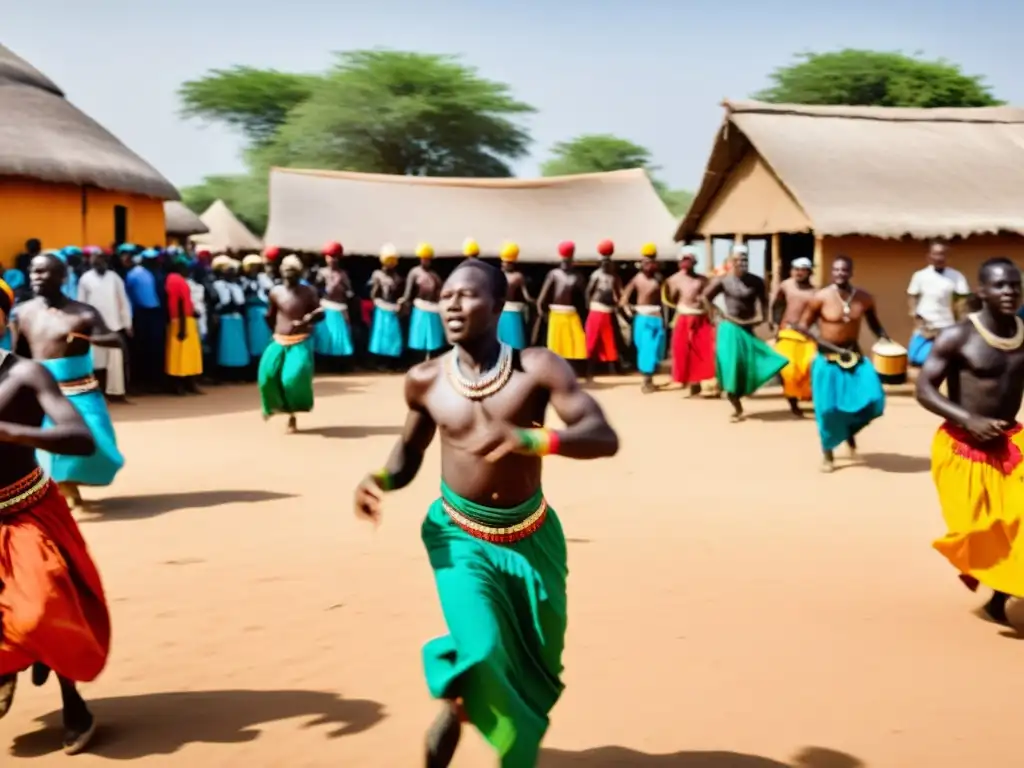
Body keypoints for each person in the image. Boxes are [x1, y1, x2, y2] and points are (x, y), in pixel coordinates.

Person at [353, 259, 619, 767]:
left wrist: (529, 438)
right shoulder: (425, 379)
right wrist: (380, 480)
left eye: (468, 295)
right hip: (458, 536)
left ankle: (461, 701)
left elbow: (602, 436)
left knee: (536, 665)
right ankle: (470, 691)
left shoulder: (538, 368)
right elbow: (408, 455)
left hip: (532, 538)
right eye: (447, 295)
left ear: (498, 306)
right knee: (483, 643)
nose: (452, 303)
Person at [0, 279, 110, 756]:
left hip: (27, 510)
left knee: (49, 606)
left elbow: (80, 438)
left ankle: (74, 702)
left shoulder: (27, 375)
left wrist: (11, 432)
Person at [916, 257, 1024, 623]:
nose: (1009, 291)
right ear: (982, 291)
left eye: (1015, 285)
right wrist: (969, 419)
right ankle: (995, 589)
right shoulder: (958, 336)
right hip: (963, 448)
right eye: (1000, 285)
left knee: (1019, 520)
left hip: (1010, 443)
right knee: (980, 530)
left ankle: (1003, 595)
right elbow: (924, 388)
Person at [10, 254, 126, 509]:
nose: (36, 277)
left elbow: (114, 339)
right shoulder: (22, 312)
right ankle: (63, 492)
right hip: (44, 391)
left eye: (43, 272)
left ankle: (69, 485)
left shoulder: (83, 313)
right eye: (33, 271)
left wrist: (94, 339)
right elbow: (20, 353)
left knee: (97, 442)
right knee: (50, 447)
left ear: (63, 277)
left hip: (81, 391)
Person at [794, 256, 889, 472]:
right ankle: (828, 455)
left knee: (873, 399)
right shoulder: (820, 297)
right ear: (832, 271)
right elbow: (803, 325)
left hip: (854, 358)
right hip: (827, 360)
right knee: (827, 410)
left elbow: (875, 324)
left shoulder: (864, 298)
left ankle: (849, 433)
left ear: (851, 272)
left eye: (844, 270)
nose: (840, 273)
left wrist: (886, 340)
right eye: (836, 269)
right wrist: (821, 340)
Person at [702, 248, 788, 421]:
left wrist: (765, 319)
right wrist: (716, 313)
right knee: (731, 367)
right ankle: (736, 407)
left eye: (744, 260)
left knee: (755, 363)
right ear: (731, 262)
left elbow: (764, 302)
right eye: (738, 260)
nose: (741, 263)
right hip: (730, 327)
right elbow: (705, 297)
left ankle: (743, 393)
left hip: (748, 327)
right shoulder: (723, 281)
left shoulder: (756, 281)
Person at [258, 255, 324, 433]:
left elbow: (321, 312)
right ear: (281, 272)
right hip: (279, 339)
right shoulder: (275, 292)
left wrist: (306, 320)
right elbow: (270, 316)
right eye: (287, 272)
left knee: (292, 379)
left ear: (300, 273)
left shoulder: (308, 291)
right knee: (267, 376)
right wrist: (275, 332)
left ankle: (292, 414)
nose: (290, 275)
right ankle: (272, 407)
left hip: (300, 341)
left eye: (294, 272)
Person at [77, 247, 132, 401]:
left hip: (114, 326)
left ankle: (116, 394)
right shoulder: (85, 279)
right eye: (96, 260)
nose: (99, 262)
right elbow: (81, 303)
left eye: (102, 259)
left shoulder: (114, 278)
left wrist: (127, 323)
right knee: (95, 363)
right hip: (94, 328)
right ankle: (96, 394)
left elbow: (123, 301)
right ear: (91, 262)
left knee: (115, 364)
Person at [907, 241, 970, 367]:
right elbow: (912, 301)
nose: (938, 258)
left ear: (947, 256)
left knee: (945, 362)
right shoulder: (920, 276)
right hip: (924, 329)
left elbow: (963, 304)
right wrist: (920, 324)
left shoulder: (956, 277)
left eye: (942, 254)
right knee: (916, 358)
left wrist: (960, 328)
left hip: (946, 328)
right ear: (929, 256)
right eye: (935, 254)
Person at [770, 256, 818, 416]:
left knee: (806, 369)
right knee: (788, 370)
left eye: (803, 270)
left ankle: (807, 399)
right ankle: (793, 404)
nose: (799, 273)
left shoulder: (815, 292)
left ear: (809, 272)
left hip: (806, 336)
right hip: (787, 333)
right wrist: (776, 325)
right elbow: (777, 306)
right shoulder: (786, 286)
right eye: (796, 269)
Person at [664, 246, 714, 396]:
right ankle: (683, 380)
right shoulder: (673, 280)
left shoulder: (703, 279)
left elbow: (709, 298)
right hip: (684, 317)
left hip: (701, 317)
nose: (686, 263)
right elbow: (670, 299)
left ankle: (697, 382)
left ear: (694, 261)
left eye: (689, 260)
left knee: (702, 350)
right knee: (681, 350)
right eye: (683, 260)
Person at [620, 244, 667, 393]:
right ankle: (647, 380)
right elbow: (623, 299)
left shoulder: (659, 280)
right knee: (646, 349)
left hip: (656, 318)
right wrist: (629, 311)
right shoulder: (637, 279)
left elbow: (665, 301)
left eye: (651, 262)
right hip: (642, 318)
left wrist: (665, 320)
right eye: (645, 262)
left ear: (655, 264)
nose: (648, 265)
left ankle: (649, 378)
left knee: (655, 349)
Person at [537, 241, 587, 361]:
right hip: (556, 314)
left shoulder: (578, 276)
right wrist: (542, 312)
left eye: (568, 261)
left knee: (577, 343)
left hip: (571, 314)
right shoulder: (554, 274)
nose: (566, 263)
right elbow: (542, 298)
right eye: (564, 261)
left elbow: (585, 299)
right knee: (556, 346)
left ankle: (573, 371)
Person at [124, 248, 165, 393]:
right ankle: (141, 381)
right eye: (150, 260)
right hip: (141, 314)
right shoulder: (134, 274)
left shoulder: (157, 273)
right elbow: (128, 295)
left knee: (156, 347)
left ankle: (156, 381)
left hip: (156, 313)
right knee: (141, 348)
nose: (154, 262)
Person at [584, 240, 622, 381]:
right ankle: (589, 371)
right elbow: (588, 291)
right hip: (596, 309)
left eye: (608, 262)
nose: (606, 264)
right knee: (592, 340)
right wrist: (588, 307)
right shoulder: (596, 275)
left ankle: (613, 369)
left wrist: (619, 305)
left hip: (608, 311)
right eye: (604, 262)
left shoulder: (614, 277)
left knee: (609, 341)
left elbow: (618, 294)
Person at [165, 255, 203, 394]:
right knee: (180, 356)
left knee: (189, 355)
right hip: (181, 321)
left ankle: (189, 384)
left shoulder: (177, 279)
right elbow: (179, 302)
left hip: (186, 319)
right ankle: (179, 386)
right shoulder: (176, 280)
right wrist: (182, 327)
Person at [402, 243, 446, 359]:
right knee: (419, 336)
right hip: (420, 308)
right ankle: (418, 361)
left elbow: (440, 293)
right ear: (420, 259)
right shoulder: (414, 273)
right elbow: (408, 292)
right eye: (423, 258)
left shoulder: (434, 276)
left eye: (428, 258)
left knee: (433, 338)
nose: (425, 261)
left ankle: (431, 359)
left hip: (433, 309)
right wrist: (404, 302)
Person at [314, 241, 355, 364]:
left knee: (339, 338)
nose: (332, 259)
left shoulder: (343, 274)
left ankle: (338, 363)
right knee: (324, 336)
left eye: (335, 256)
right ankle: (323, 362)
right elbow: (316, 290)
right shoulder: (321, 273)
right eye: (330, 256)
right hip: (326, 307)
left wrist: (347, 293)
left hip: (339, 309)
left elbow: (350, 292)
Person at [211, 256, 250, 379]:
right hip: (224, 318)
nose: (231, 273)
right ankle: (224, 373)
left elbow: (240, 302)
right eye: (228, 271)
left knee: (238, 347)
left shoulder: (237, 286)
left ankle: (237, 372)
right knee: (225, 347)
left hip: (236, 318)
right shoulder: (217, 285)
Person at [368, 244, 405, 366]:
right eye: (388, 260)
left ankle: (392, 363)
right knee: (381, 336)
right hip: (381, 308)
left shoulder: (398, 278)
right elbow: (373, 293)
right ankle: (379, 363)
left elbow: (400, 293)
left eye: (392, 261)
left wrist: (400, 303)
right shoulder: (377, 275)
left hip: (393, 309)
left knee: (393, 336)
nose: (390, 263)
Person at [497, 241, 532, 351]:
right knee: (514, 345)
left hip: (501, 313)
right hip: (512, 314)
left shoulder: (497, 274)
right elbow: (526, 297)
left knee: (501, 345)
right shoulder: (518, 276)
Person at [241, 253, 273, 363]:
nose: (254, 268)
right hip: (250, 311)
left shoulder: (263, 278)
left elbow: (269, 291)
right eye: (251, 266)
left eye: (256, 266)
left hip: (262, 309)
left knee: (264, 337)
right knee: (252, 338)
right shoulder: (243, 281)